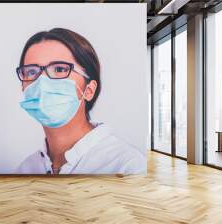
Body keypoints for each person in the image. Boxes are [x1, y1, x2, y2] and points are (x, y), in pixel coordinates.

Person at [15, 28, 146, 175]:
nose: (42, 82)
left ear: (89, 90)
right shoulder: (25, 169)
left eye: (59, 69)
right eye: (32, 72)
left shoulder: (126, 166)